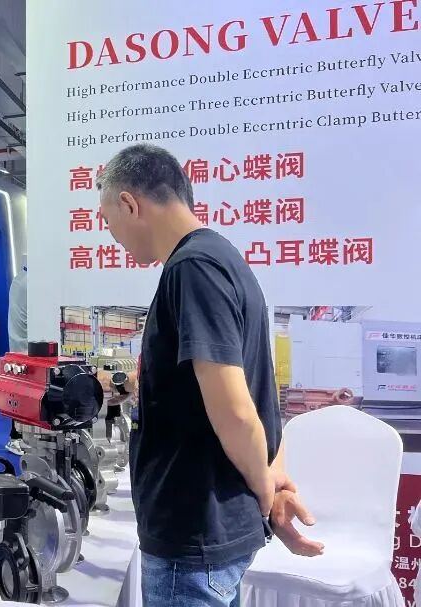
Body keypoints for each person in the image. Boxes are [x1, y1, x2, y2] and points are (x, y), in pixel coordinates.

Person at [96, 144, 324, 606]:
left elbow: (236, 411)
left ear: (129, 204)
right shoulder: (222, 260)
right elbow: (256, 393)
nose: (112, 235)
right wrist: (271, 480)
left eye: (107, 220)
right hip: (208, 528)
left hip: (192, 531)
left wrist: (265, 492)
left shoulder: (193, 268)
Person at [4, 256, 28, 454]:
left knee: (20, 395)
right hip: (27, 350)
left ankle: (18, 436)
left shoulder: (20, 279)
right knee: (22, 397)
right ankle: (17, 437)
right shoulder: (29, 283)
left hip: (20, 347)